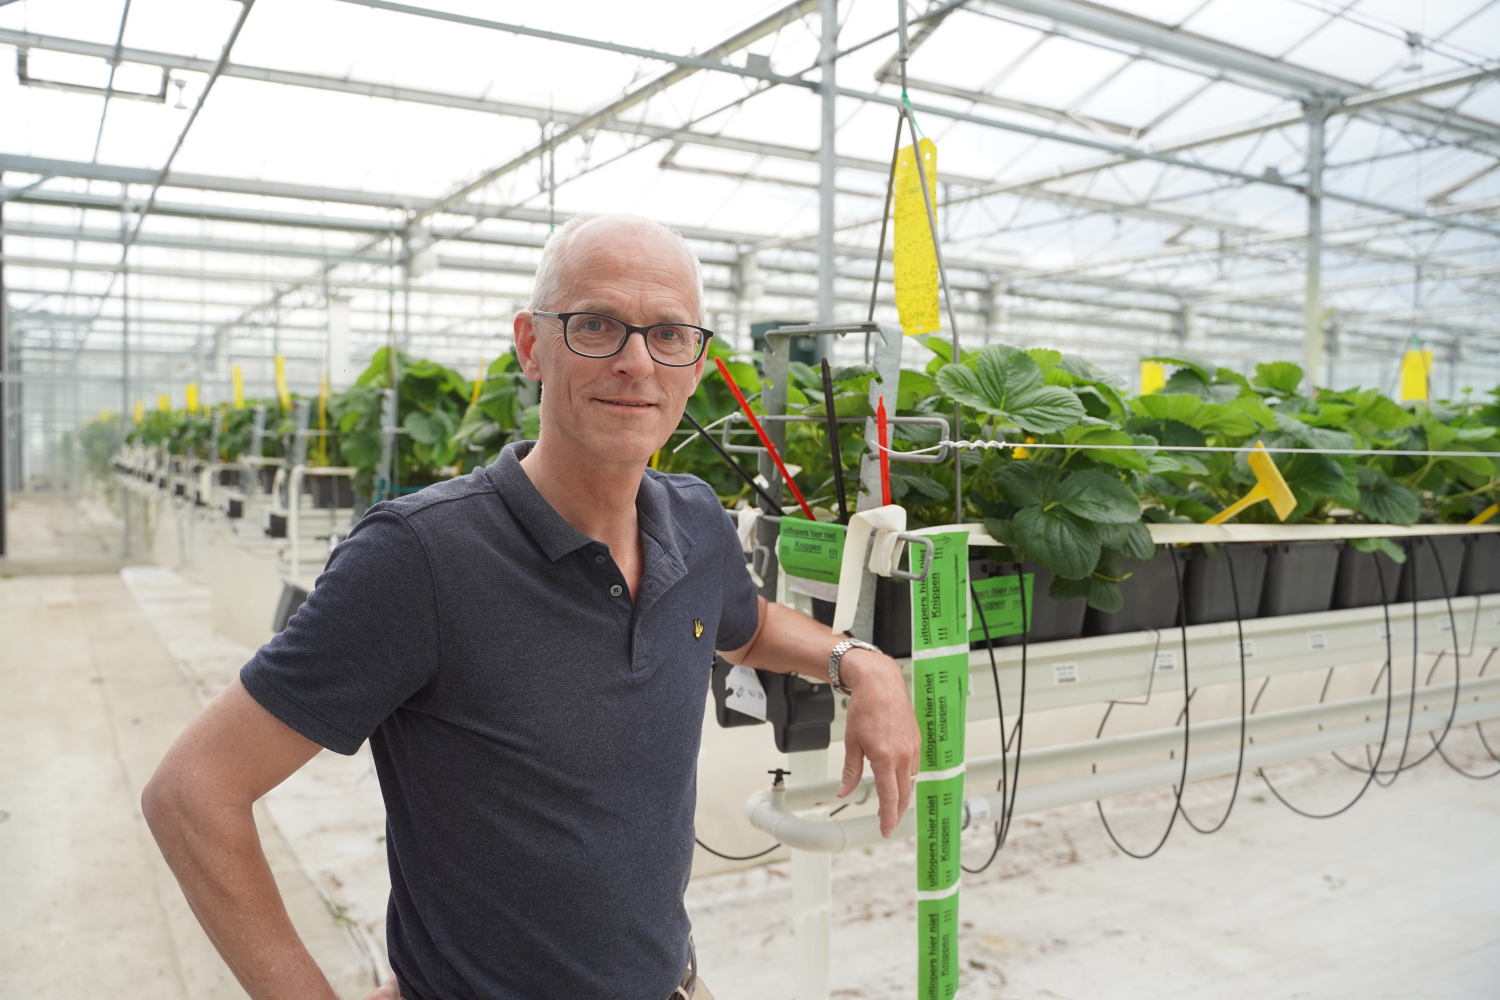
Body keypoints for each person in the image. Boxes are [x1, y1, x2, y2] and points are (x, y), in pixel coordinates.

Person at [142, 213, 921, 1000]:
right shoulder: (419, 558)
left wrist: (860, 662)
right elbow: (191, 794)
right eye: (596, 326)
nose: (635, 362)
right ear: (530, 346)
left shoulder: (695, 521)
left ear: (697, 363)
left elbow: (746, 627)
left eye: (669, 335)